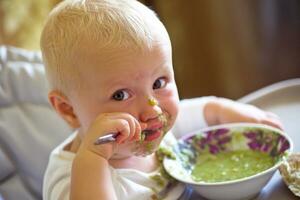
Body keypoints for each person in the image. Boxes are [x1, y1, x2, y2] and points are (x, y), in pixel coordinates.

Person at [40, 0, 283, 199]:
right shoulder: (73, 178)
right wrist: (92, 159)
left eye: (159, 83)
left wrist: (227, 111)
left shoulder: (153, 127)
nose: (151, 110)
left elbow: (197, 113)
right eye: (120, 95)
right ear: (68, 110)